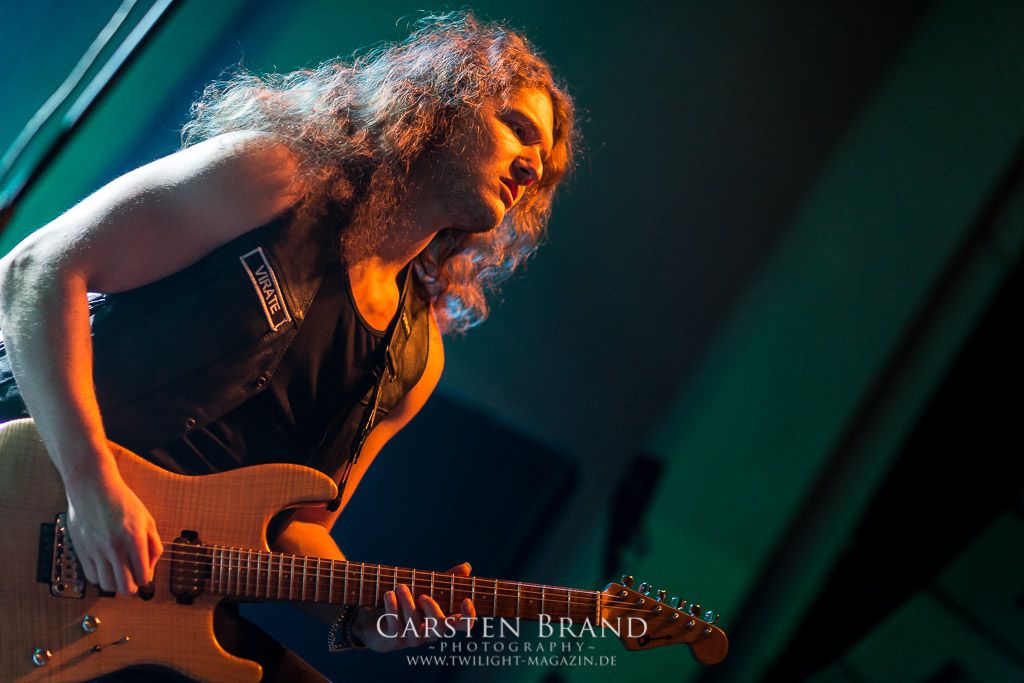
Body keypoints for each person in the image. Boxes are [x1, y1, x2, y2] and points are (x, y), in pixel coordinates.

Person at [0, 11, 575, 680]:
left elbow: (294, 527)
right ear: (442, 106)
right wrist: (90, 482)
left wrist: (362, 618)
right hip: (33, 484)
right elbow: (35, 270)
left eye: (545, 163)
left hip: (139, 603)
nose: (533, 164)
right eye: (519, 128)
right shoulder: (277, 176)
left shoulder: (414, 361)